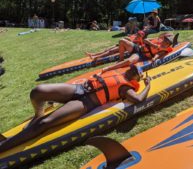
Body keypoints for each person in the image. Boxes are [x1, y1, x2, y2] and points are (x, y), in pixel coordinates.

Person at [0, 65, 151, 152]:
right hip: (78, 88)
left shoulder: (126, 87)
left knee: (46, 123)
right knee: (37, 91)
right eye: (134, 68)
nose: (133, 69)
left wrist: (148, 84)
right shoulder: (118, 72)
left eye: (137, 72)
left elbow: (138, 99)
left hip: (86, 102)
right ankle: (37, 114)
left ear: (135, 79)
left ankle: (4, 146)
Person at [101, 34, 175, 73]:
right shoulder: (156, 40)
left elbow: (159, 54)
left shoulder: (164, 49)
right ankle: (121, 59)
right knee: (121, 41)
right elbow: (145, 40)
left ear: (168, 45)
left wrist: (154, 58)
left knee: (129, 61)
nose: (165, 42)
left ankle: (108, 68)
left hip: (141, 55)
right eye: (165, 40)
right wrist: (152, 45)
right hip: (137, 48)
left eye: (167, 43)